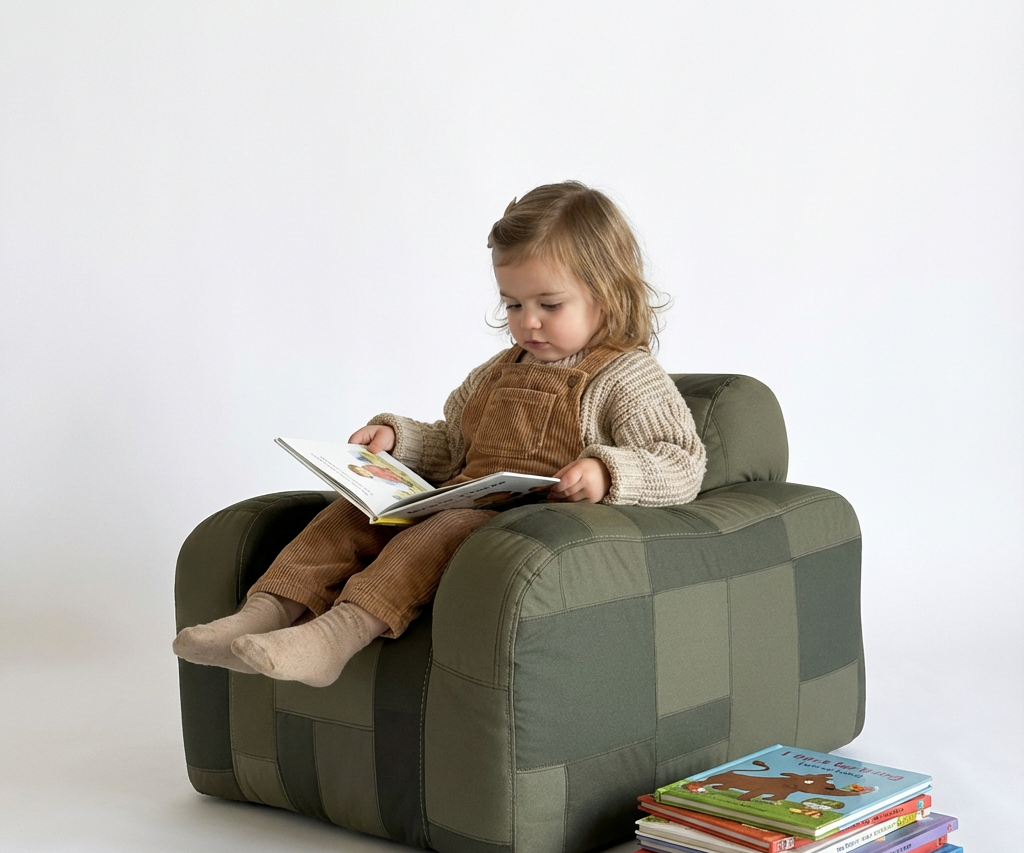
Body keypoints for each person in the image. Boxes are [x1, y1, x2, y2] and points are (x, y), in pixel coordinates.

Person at [172, 182, 707, 687]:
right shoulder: (498, 372)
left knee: (443, 529)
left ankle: (334, 638)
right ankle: (262, 613)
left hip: (525, 526)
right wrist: (398, 441)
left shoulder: (627, 376)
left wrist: (606, 472)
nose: (529, 323)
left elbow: (682, 460)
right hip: (462, 495)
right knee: (353, 514)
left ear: (607, 294)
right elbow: (453, 444)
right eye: (513, 304)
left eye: (549, 305)